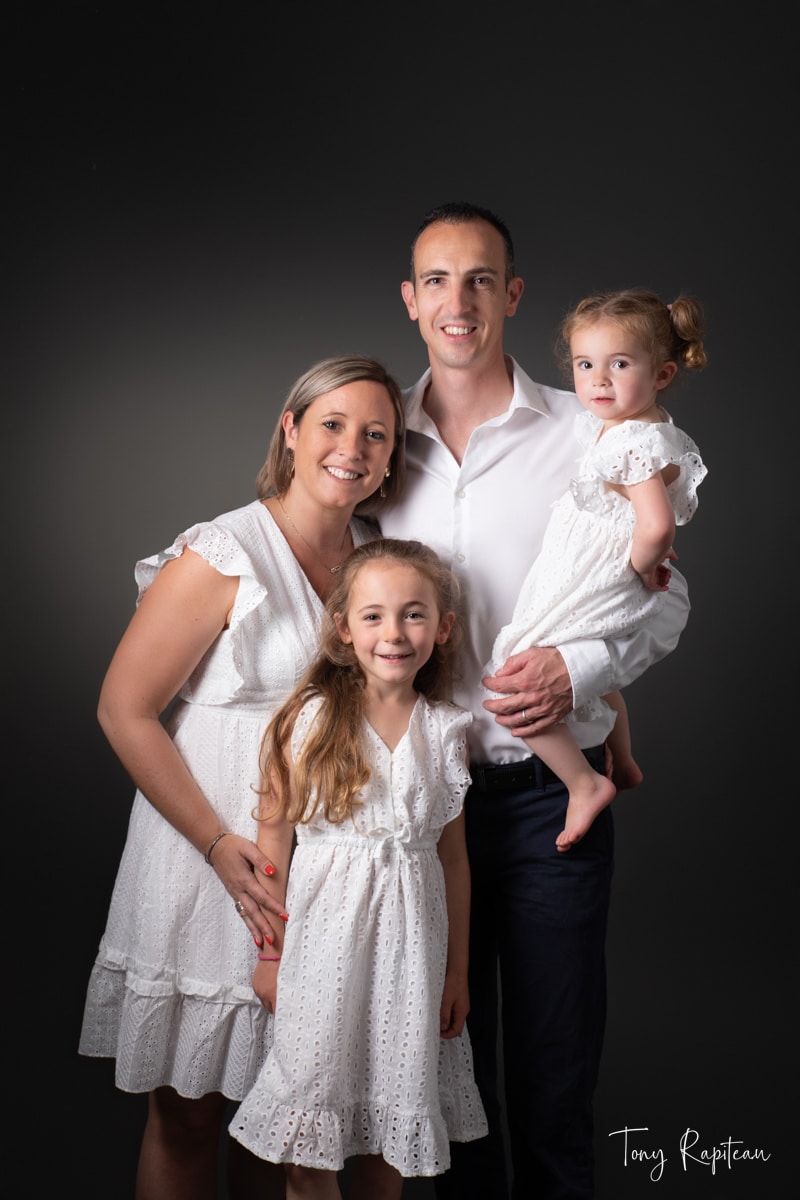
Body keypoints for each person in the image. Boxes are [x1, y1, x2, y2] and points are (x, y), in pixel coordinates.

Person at [378, 202, 693, 1199]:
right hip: (422, 801)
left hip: (548, 795)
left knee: (554, 1073)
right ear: (409, 298)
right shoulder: (378, 437)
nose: (457, 300)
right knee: (449, 1073)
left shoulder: (588, 424)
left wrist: (582, 670)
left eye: (479, 279)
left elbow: (663, 597)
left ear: (511, 295)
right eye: (436, 279)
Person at [78, 354, 407, 1200]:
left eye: (376, 432)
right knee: (188, 1113)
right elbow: (124, 708)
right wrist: (218, 843)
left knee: (284, 1115)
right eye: (332, 424)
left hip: (325, 863)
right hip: (206, 848)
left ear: (392, 453)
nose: (353, 447)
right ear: (291, 431)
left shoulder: (380, 558)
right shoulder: (224, 552)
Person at [229, 538, 488, 1199]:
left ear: (443, 627)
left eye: (413, 614)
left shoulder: (448, 730)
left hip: (411, 960)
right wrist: (268, 954)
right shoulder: (311, 719)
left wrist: (457, 970)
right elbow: (273, 845)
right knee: (306, 1148)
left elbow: (452, 859)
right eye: (373, 616)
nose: (394, 633)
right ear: (344, 627)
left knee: (384, 1142)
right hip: (320, 953)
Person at [485, 287, 708, 853]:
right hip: (601, 564)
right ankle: (625, 761)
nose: (599, 381)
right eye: (586, 365)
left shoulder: (627, 440)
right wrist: (646, 557)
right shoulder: (647, 427)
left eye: (619, 364)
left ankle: (584, 784)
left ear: (660, 373)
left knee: (512, 674)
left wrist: (637, 567)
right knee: (594, 683)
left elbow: (656, 526)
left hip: (597, 574)